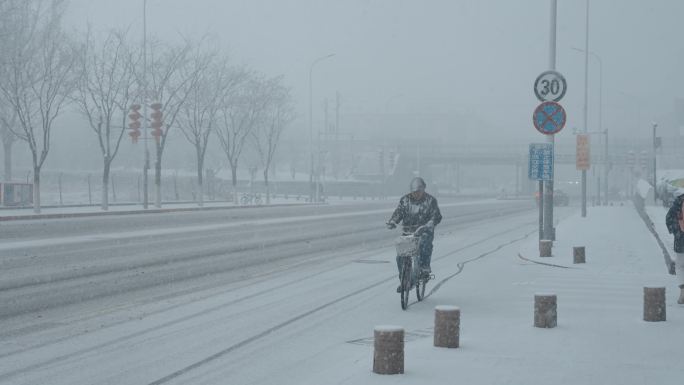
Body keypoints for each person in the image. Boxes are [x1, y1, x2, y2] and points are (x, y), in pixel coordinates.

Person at [386, 177, 442, 292]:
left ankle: (425, 268)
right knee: (401, 256)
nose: (416, 194)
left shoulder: (430, 201)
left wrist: (430, 224)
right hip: (408, 232)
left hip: (424, 231)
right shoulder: (405, 200)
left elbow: (436, 216)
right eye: (414, 192)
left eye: (419, 191)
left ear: (423, 189)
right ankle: (405, 281)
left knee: (425, 245)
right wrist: (393, 221)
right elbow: (399, 212)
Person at [664, 189, 684, 304]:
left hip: (681, 240)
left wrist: (676, 231)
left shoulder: (677, 203)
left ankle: (683, 292)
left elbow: (668, 219)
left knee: (680, 266)